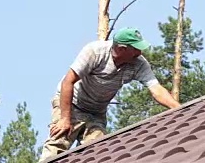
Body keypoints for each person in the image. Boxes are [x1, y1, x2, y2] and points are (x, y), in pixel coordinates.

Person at [38, 27, 181, 161]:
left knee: (96, 152)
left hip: (96, 112)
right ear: (122, 49)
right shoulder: (95, 52)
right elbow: (68, 82)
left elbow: (156, 89)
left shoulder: (138, 63)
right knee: (59, 143)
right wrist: (64, 118)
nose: (140, 53)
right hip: (72, 104)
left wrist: (178, 109)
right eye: (137, 49)